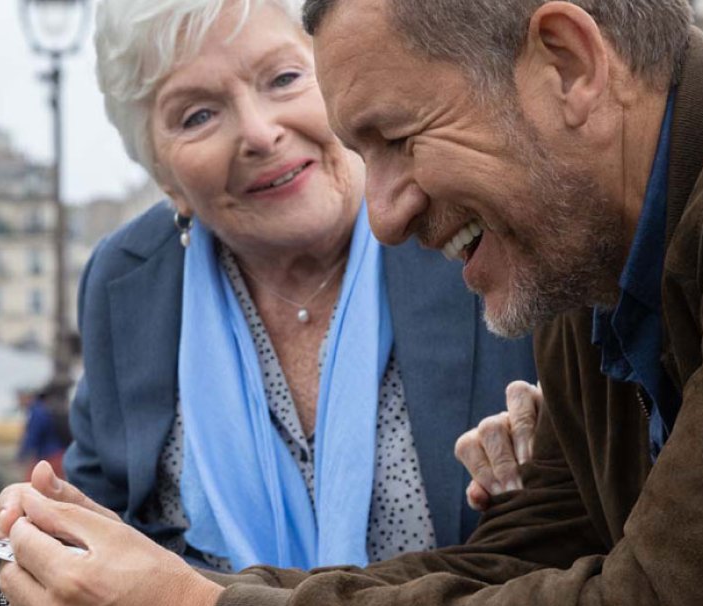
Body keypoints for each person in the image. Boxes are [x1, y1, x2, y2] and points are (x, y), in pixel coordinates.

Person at [0, 0, 703, 606]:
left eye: (397, 140)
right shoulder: (590, 238)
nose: (384, 212)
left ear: (570, 62)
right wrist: (157, 597)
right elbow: (516, 569)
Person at [59, 0, 535, 573]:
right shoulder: (127, 280)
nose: (260, 133)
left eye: (284, 79)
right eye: (197, 116)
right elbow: (101, 526)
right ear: (166, 180)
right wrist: (40, 549)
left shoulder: (462, 215)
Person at [16, 384, 70, 480]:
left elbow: (32, 436)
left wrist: (21, 455)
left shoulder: (36, 412)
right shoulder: (44, 408)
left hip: (49, 455)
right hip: (57, 453)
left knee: (33, 484)